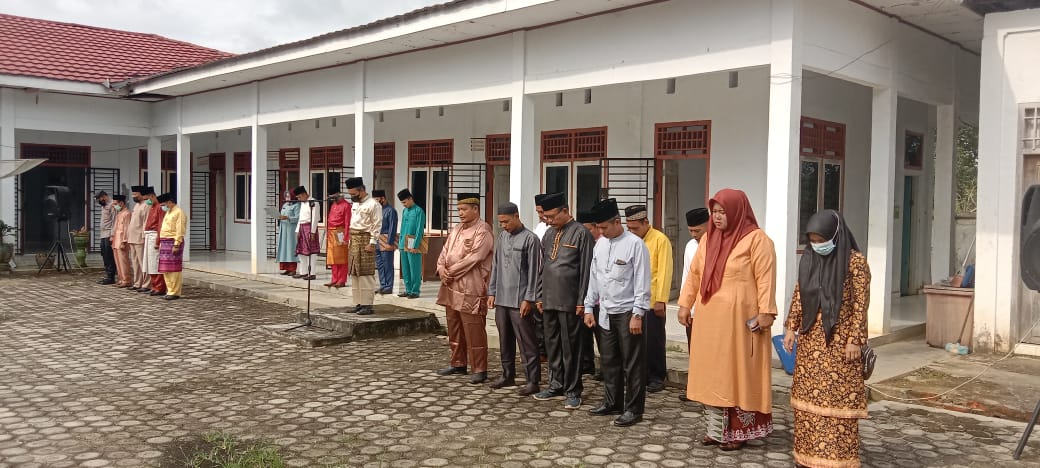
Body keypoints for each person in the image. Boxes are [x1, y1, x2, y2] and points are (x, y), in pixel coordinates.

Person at [677, 188, 777, 451]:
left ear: (737, 211)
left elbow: (766, 278)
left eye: (723, 212)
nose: (718, 217)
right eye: (715, 212)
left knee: (737, 371)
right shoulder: (709, 239)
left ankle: (739, 432)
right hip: (709, 319)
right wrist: (685, 304)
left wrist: (766, 311)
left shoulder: (757, 240)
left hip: (739, 320)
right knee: (712, 372)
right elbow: (695, 275)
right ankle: (716, 430)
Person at [783, 210, 870, 468]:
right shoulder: (810, 259)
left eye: (821, 240)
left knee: (836, 400)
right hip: (811, 342)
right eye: (812, 241)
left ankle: (836, 460)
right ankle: (807, 457)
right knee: (808, 401)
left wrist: (855, 340)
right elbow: (800, 294)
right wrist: (791, 327)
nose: (817, 245)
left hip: (840, 344)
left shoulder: (855, 262)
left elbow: (861, 304)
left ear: (835, 235)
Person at [583, 198, 651, 427]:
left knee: (632, 363)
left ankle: (634, 409)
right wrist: (589, 307)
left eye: (604, 227)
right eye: (598, 227)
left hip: (627, 312)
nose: (601, 232)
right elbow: (594, 278)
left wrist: (638, 314)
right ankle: (612, 402)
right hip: (605, 311)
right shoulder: (600, 245)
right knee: (609, 360)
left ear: (617, 221)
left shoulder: (635, 245)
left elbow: (642, 281)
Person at [534, 192, 594, 410]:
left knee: (571, 347)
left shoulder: (581, 233)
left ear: (565, 211)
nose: (548, 220)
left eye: (552, 216)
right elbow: (543, 267)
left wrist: (582, 301)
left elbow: (586, 270)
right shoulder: (549, 234)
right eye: (546, 217)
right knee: (552, 345)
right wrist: (539, 294)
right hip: (549, 299)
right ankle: (555, 384)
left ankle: (573, 390)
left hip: (571, 302)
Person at [435, 193, 495, 384]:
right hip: (450, 285)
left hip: (471, 286)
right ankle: (458, 363)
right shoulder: (456, 228)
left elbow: (476, 257)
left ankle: (480, 369)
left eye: (464, 209)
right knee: (454, 326)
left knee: (473, 329)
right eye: (459, 209)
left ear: (475, 209)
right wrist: (441, 268)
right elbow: (444, 251)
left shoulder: (483, 230)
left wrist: (450, 271)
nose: (460, 213)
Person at [487, 202, 543, 396]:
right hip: (502, 298)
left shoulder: (530, 239)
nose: (503, 225)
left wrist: (529, 299)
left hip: (520, 301)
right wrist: (492, 292)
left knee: (526, 341)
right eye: (500, 222)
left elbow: (535, 272)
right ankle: (507, 375)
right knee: (505, 339)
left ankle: (532, 380)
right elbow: (495, 266)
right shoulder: (502, 237)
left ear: (517, 216)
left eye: (506, 221)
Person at [624, 204, 672, 394]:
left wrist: (661, 300)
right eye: (629, 228)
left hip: (653, 301)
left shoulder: (660, 240)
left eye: (635, 228)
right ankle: (640, 376)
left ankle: (657, 377)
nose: (632, 232)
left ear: (646, 222)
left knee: (654, 341)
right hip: (633, 300)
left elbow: (665, 272)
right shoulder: (629, 241)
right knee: (635, 342)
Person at [679, 207, 710, 402]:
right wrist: (685, 305)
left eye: (697, 230)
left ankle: (710, 391)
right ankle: (695, 389)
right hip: (693, 309)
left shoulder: (719, 246)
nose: (693, 235)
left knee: (710, 353)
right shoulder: (691, 246)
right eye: (690, 230)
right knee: (695, 352)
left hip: (711, 309)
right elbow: (687, 278)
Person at [346, 178, 382, 315]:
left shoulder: (374, 204)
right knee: (355, 272)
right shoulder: (355, 204)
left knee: (365, 273)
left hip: (366, 240)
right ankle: (359, 303)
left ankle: (367, 305)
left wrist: (372, 242)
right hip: (354, 240)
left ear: (361, 190)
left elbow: (377, 225)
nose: (351, 196)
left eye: (353, 194)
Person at [576, 210, 602, 379]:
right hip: (586, 297)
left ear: (596, 227)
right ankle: (587, 364)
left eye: (588, 229)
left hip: (601, 300)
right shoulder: (584, 242)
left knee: (602, 336)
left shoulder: (602, 243)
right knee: (585, 335)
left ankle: (607, 368)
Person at [157, 192, 187, 300]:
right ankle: (170, 290)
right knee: (166, 268)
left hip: (173, 242)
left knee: (174, 268)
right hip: (165, 242)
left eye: (163, 204)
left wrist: (177, 244)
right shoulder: (168, 212)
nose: (163, 207)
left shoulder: (179, 212)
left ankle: (175, 292)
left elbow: (180, 229)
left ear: (169, 202)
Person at [397, 189, 425, 299]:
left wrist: (415, 245)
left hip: (413, 244)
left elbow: (419, 230)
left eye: (404, 202)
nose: (403, 205)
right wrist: (400, 243)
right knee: (405, 269)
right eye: (402, 203)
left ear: (410, 199)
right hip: (403, 243)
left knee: (415, 269)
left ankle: (415, 291)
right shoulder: (405, 211)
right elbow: (402, 228)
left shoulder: (419, 211)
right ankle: (408, 290)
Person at [142, 187, 167, 296]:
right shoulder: (151, 207)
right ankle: (154, 285)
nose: (146, 201)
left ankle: (160, 287)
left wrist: (158, 241)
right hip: (149, 235)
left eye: (147, 199)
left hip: (154, 235)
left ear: (152, 196)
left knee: (156, 262)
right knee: (150, 263)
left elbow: (160, 224)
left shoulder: (159, 207)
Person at [325, 189, 351, 288]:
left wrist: (346, 237)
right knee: (332, 258)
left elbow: (348, 222)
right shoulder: (333, 204)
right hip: (331, 232)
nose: (332, 198)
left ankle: (341, 280)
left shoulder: (346, 205)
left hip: (340, 232)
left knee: (341, 257)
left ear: (339, 194)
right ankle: (334, 279)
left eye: (334, 196)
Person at [293, 186, 321, 281]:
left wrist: (312, 232)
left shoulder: (314, 202)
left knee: (311, 251)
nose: (299, 199)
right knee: (301, 252)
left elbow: (315, 218)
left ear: (305, 194)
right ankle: (303, 272)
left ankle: (312, 273)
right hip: (302, 227)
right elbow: (300, 218)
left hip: (309, 227)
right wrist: (298, 230)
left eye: (299, 197)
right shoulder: (303, 203)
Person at [375, 189, 398, 294]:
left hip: (386, 239)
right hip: (377, 239)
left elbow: (392, 227)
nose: (375, 202)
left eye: (377, 199)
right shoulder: (377, 210)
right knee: (380, 265)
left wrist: (390, 243)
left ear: (383, 198)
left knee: (387, 264)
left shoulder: (391, 210)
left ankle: (388, 286)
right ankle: (383, 285)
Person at [127, 186, 151, 292]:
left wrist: (144, 236)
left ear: (141, 194)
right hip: (132, 237)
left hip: (140, 238)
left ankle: (146, 284)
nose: (133, 196)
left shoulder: (146, 205)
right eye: (133, 194)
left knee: (142, 263)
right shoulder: (136, 205)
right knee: (135, 263)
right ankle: (137, 283)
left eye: (135, 194)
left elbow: (146, 222)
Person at [110, 195, 133, 288]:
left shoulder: (127, 213)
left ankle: (127, 280)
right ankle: (121, 279)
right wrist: (112, 237)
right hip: (116, 240)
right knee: (118, 261)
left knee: (124, 261)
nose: (114, 206)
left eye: (115, 204)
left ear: (122, 203)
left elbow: (127, 228)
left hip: (122, 240)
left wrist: (124, 241)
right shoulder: (119, 213)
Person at [276, 192, 300, 275]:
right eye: (286, 196)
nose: (287, 198)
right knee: (284, 248)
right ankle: (286, 268)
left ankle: (292, 269)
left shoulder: (297, 206)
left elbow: (298, 218)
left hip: (291, 230)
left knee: (291, 248)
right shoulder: (285, 205)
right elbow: (281, 214)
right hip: (283, 229)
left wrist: (288, 218)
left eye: (289, 196)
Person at [95, 191, 116, 285]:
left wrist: (112, 235)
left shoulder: (112, 206)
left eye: (99, 199)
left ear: (104, 196)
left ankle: (111, 276)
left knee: (109, 256)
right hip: (103, 234)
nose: (99, 201)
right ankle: (107, 274)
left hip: (108, 234)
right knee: (104, 255)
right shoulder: (104, 206)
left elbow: (114, 221)